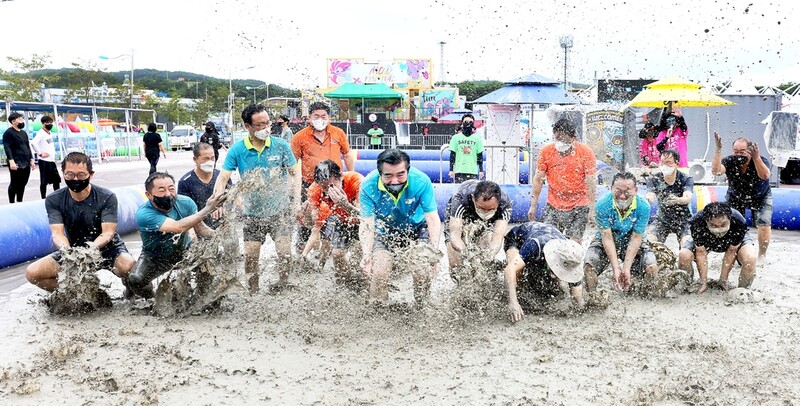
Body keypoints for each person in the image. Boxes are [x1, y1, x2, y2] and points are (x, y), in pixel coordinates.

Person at [213, 103, 301, 294]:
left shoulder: (281, 145)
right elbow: (223, 178)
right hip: (252, 213)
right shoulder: (237, 150)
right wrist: (218, 199)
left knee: (285, 254)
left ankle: (283, 285)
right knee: (251, 256)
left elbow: (296, 173)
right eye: (260, 125)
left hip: (280, 210)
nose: (266, 128)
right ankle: (253, 291)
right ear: (248, 127)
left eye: (268, 123)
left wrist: (296, 202)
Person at [24, 152, 136, 293]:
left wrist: (90, 250)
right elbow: (57, 234)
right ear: (63, 174)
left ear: (91, 174)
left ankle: (131, 291)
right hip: (74, 250)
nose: (75, 179)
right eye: (70, 175)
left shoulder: (106, 197)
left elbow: (108, 233)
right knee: (33, 273)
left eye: (81, 175)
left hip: (108, 248)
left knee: (130, 268)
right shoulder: (54, 199)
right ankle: (84, 293)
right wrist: (67, 251)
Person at [359, 148, 441, 305]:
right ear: (380, 173)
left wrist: (434, 252)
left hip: (416, 229)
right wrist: (366, 254)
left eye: (400, 174)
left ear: (407, 171)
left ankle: (422, 307)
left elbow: (432, 218)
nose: (395, 181)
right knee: (379, 274)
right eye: (388, 176)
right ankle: (379, 313)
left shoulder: (421, 181)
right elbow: (366, 223)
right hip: (384, 230)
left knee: (421, 272)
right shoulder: (368, 185)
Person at [127, 172, 226, 298]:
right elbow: (178, 227)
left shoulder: (186, 203)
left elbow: (201, 229)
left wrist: (218, 235)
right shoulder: (144, 214)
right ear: (149, 195)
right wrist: (207, 209)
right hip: (155, 257)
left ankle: (203, 297)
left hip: (185, 252)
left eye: (171, 188)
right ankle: (151, 299)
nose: (168, 194)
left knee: (206, 260)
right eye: (162, 190)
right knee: (135, 279)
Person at [291, 102, 355, 252]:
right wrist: (294, 188)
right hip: (309, 184)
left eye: (323, 116)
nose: (320, 119)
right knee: (307, 220)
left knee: (338, 216)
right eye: (316, 116)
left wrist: (349, 176)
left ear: (328, 117)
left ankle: (333, 249)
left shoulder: (338, 133)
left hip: (334, 184)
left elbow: (347, 155)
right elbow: (292, 164)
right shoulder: (299, 137)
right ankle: (303, 250)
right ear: (309, 118)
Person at [584, 172, 659, 293]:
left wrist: (626, 269)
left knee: (651, 267)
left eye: (627, 191)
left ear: (635, 190)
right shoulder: (602, 205)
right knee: (589, 266)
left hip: (631, 239)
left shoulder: (643, 206)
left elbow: (636, 238)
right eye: (618, 191)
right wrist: (616, 269)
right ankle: (592, 298)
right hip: (606, 238)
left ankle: (643, 294)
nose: (622, 196)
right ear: (611, 188)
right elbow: (607, 237)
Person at [527, 118, 597, 243]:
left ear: (573, 137)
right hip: (554, 204)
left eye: (563, 139)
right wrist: (533, 206)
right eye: (557, 138)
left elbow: (591, 181)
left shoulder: (585, 152)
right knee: (549, 241)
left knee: (574, 243)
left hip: (579, 205)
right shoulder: (547, 151)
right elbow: (538, 179)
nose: (560, 142)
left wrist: (592, 208)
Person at [503, 222, 585, 323]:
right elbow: (509, 269)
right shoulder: (535, 245)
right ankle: (519, 295)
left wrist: (580, 305)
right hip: (517, 238)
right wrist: (513, 301)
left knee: (555, 285)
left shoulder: (572, 257)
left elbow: (577, 293)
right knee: (517, 272)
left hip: (547, 240)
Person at [301, 160, 363, 286]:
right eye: (324, 187)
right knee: (337, 254)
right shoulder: (315, 190)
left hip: (364, 222)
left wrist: (346, 205)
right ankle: (348, 282)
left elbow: (364, 217)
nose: (329, 191)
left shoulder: (356, 181)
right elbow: (313, 225)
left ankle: (366, 280)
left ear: (340, 176)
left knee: (363, 255)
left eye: (331, 186)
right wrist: (306, 216)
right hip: (342, 220)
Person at [711, 132, 772, 262]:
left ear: (750, 151)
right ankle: (735, 251)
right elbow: (716, 171)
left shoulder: (761, 160)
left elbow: (765, 175)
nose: (738, 155)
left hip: (761, 195)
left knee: (763, 223)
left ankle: (762, 255)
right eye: (736, 151)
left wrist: (756, 158)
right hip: (735, 196)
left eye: (742, 152)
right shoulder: (729, 161)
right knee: (733, 225)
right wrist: (718, 149)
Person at [678, 202, 756, 294]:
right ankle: (686, 286)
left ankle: (743, 290)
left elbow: (731, 251)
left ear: (729, 218)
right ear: (706, 220)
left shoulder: (739, 221)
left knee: (750, 259)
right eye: (714, 225)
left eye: (723, 225)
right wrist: (703, 282)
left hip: (732, 238)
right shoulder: (697, 221)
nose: (719, 229)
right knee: (683, 255)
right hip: (707, 237)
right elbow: (701, 253)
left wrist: (723, 280)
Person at [444, 179, 511, 282]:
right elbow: (455, 237)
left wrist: (489, 255)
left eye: (490, 209)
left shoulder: (505, 205)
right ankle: (460, 288)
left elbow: (497, 239)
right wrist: (468, 254)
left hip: (486, 223)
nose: (485, 213)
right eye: (481, 208)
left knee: (485, 256)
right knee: (455, 264)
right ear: (473, 199)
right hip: (460, 217)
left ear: (498, 203)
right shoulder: (460, 199)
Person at [645, 149, 694, 246]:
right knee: (650, 241)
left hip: (683, 219)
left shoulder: (685, 178)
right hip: (662, 219)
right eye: (662, 163)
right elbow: (650, 194)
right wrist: (647, 199)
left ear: (677, 163)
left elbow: (687, 197)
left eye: (669, 163)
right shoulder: (654, 179)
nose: (665, 166)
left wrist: (677, 200)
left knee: (687, 246)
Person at [178, 142, 230, 229]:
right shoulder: (185, 182)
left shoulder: (222, 176)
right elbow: (184, 212)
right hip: (199, 228)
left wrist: (223, 207)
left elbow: (233, 198)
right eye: (205, 159)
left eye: (212, 158)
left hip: (224, 227)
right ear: (195, 159)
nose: (210, 162)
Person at [3, 112, 36, 203]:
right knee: (14, 183)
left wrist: (31, 159)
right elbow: (7, 147)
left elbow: (27, 146)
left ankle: (19, 201)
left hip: (25, 162)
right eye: (20, 119)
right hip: (16, 161)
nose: (22, 120)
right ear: (13, 121)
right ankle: (12, 203)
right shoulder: (8, 133)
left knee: (23, 183)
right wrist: (11, 161)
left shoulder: (23, 133)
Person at [30, 115, 61, 198]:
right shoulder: (41, 133)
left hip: (51, 160)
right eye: (48, 123)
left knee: (56, 180)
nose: (50, 124)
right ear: (43, 124)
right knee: (44, 181)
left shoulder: (49, 133)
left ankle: (57, 196)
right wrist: (39, 153)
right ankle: (43, 197)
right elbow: (33, 143)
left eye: (51, 122)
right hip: (44, 161)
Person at [448, 114, 484, 182]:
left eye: (470, 122)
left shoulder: (477, 139)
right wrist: (451, 170)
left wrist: (481, 170)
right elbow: (452, 155)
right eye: (466, 121)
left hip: (472, 171)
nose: (468, 124)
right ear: (462, 124)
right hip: (459, 170)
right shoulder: (455, 138)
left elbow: (480, 156)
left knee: (472, 191)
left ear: (473, 124)